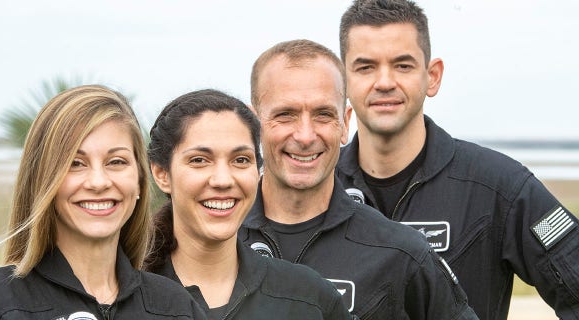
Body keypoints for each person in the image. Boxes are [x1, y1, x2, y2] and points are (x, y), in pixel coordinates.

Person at [336, 0, 579, 319]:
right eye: (365, 67)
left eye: (403, 65)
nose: (384, 82)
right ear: (341, 81)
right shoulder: (317, 188)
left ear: (432, 76)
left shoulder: (499, 187)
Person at [239, 39, 478, 319]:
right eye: (286, 115)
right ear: (253, 125)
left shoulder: (401, 253)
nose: (305, 136)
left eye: (323, 115)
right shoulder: (212, 240)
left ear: (345, 123)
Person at [0, 85, 206, 319]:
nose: (98, 182)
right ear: (44, 180)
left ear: (138, 180)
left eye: (116, 162)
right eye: (75, 164)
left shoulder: (175, 307)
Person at [145, 89, 351, 319]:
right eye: (200, 160)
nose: (223, 180)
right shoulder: (122, 297)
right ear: (162, 174)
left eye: (240, 160)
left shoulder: (309, 299)